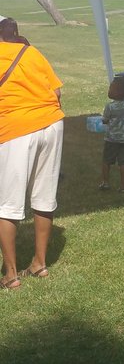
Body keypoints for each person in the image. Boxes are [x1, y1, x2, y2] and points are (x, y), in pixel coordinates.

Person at [0, 17, 64, 289]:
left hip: (15, 129)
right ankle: (39, 263)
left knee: (7, 202)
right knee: (44, 194)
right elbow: (57, 91)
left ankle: (11, 274)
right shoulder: (32, 51)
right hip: (52, 123)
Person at [99, 77, 124, 191]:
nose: (109, 90)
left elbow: (105, 120)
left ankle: (105, 182)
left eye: (111, 88)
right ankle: (123, 186)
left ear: (117, 92)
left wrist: (104, 120)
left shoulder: (110, 106)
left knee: (107, 161)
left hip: (111, 139)